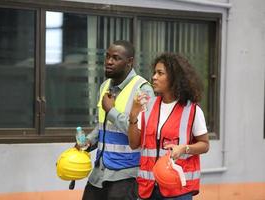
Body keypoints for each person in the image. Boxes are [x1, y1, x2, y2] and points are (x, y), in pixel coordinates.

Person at [78, 40, 154, 200]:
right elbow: (103, 127)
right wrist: (88, 142)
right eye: (107, 57)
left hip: (126, 174)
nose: (109, 61)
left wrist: (111, 111)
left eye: (116, 58)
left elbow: (142, 134)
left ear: (129, 62)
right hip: (100, 172)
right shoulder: (105, 86)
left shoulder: (143, 90)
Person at [128, 53, 209, 200]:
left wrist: (184, 148)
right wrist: (133, 115)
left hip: (177, 189)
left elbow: (204, 145)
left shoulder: (192, 110)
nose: (154, 77)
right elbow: (134, 144)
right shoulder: (148, 106)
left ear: (174, 78)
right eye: (154, 73)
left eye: (160, 73)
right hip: (148, 188)